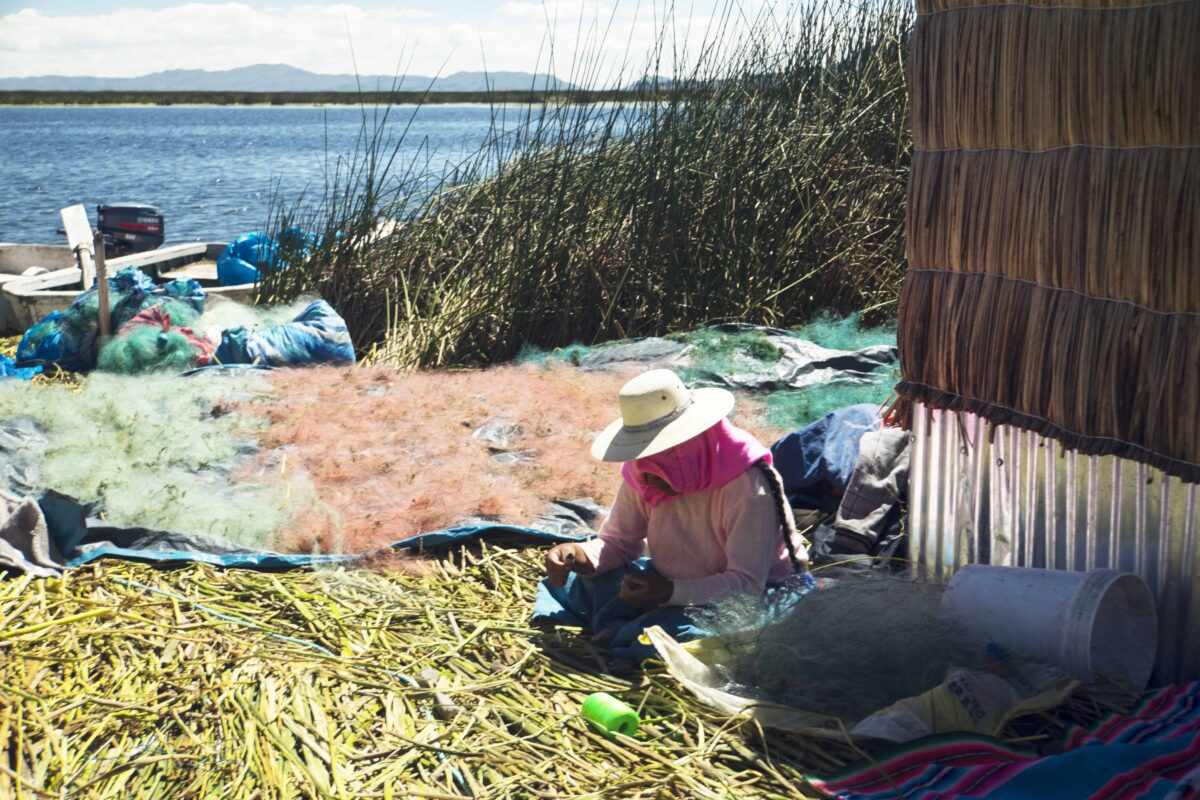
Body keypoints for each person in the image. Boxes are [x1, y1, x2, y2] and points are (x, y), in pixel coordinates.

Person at [533, 368, 809, 664]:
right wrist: (579, 555)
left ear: (686, 449)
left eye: (657, 457)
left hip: (749, 595)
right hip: (668, 580)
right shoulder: (643, 474)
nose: (647, 477)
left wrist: (668, 592)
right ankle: (627, 627)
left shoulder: (747, 486)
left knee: (689, 634)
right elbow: (620, 543)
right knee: (584, 584)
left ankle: (625, 630)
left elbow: (745, 584)